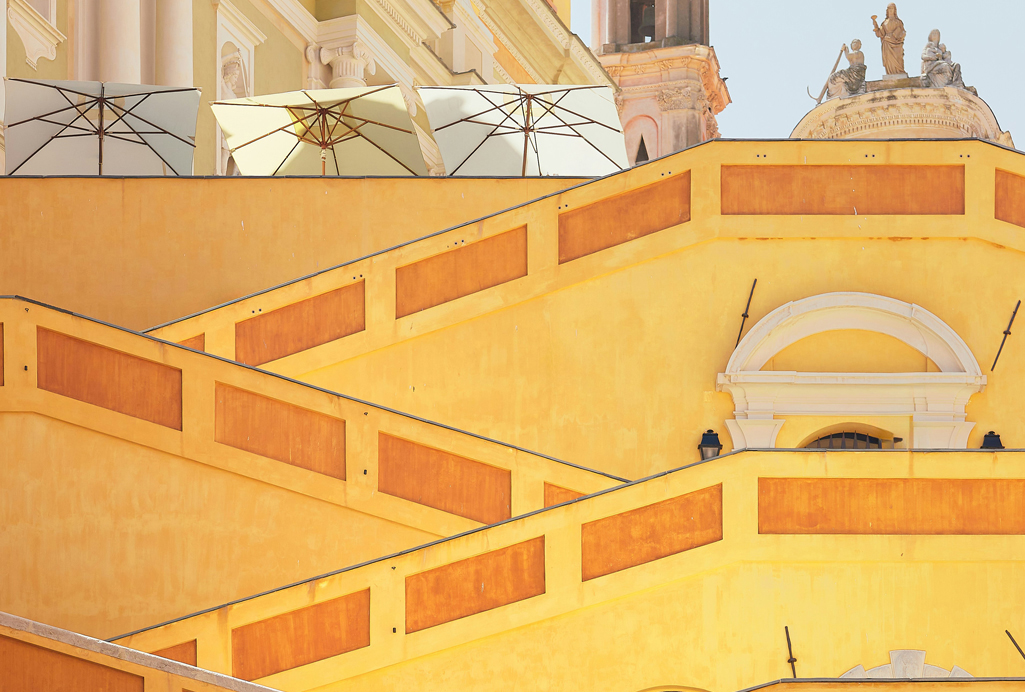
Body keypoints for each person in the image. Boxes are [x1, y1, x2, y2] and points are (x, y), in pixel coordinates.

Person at [872, 3, 906, 75]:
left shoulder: (898, 22)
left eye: (892, 8)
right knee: (889, 60)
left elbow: (903, 32)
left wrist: (898, 35)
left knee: (898, 57)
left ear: (895, 10)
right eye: (889, 8)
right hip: (887, 43)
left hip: (897, 43)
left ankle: (899, 72)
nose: (890, 10)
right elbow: (880, 34)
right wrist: (875, 26)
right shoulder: (884, 23)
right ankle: (890, 73)